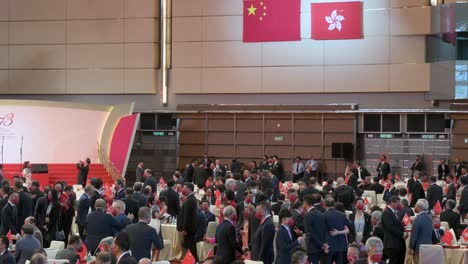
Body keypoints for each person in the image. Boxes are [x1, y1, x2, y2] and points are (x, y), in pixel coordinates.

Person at [323, 197, 352, 264]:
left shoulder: (323, 215)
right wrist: (342, 231)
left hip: (328, 246)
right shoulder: (342, 215)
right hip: (341, 246)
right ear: (334, 204)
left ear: (324, 205)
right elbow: (351, 225)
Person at [176, 183, 199, 262]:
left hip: (188, 229)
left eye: (184, 188)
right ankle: (194, 260)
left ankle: (193, 261)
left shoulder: (190, 200)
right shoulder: (190, 199)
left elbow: (187, 216)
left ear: (189, 189)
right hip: (190, 228)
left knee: (189, 246)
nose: (183, 189)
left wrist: (185, 229)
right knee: (190, 246)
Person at [382, 196, 407, 264]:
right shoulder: (387, 212)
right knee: (394, 261)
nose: (398, 205)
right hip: (392, 243)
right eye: (397, 203)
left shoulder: (393, 212)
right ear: (392, 202)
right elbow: (390, 227)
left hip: (397, 242)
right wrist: (402, 234)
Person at [303, 194, 327, 264]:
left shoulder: (308, 216)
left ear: (306, 203)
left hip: (312, 248)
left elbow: (309, 234)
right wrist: (323, 244)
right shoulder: (321, 214)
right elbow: (324, 230)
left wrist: (321, 244)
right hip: (321, 248)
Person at [409, 199, 432, 264]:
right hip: (429, 247)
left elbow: (414, 236)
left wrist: (411, 247)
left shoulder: (417, 219)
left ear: (419, 207)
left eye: (415, 205)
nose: (414, 207)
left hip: (418, 248)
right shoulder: (429, 218)